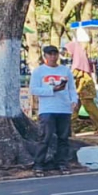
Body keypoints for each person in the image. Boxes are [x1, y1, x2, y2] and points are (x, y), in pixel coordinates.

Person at [31, 45, 78, 175]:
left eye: (55, 54)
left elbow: (71, 88)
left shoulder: (65, 70)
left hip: (64, 108)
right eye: (50, 54)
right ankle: (39, 164)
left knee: (63, 138)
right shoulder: (39, 71)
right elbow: (34, 89)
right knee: (45, 137)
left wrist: (74, 100)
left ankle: (62, 163)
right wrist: (52, 90)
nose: (53, 57)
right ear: (45, 56)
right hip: (47, 108)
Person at [69, 41, 98, 135]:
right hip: (81, 88)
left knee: (91, 108)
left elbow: (76, 74)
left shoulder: (78, 60)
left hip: (85, 87)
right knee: (85, 109)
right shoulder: (78, 58)